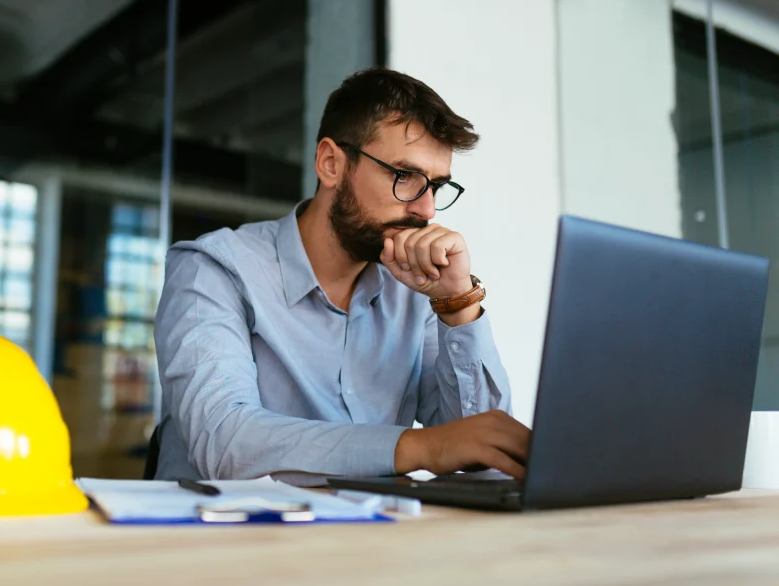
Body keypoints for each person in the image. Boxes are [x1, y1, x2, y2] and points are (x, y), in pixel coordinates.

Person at [152, 68, 530, 486]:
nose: (427, 211)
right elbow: (224, 442)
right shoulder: (213, 269)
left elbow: (483, 450)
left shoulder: (414, 290)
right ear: (331, 163)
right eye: (405, 177)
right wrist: (422, 447)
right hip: (224, 542)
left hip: (368, 539)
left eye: (436, 187)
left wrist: (457, 303)